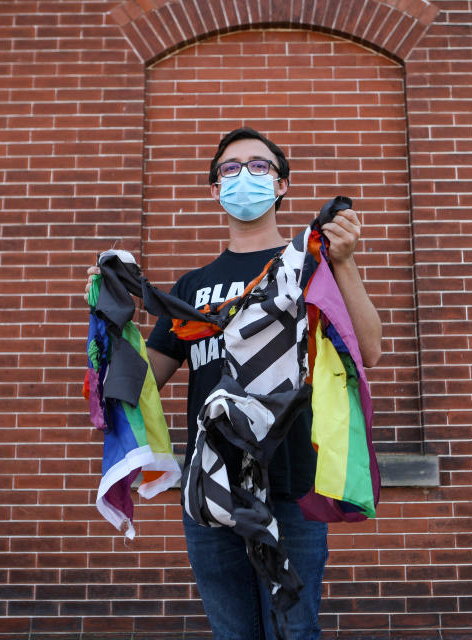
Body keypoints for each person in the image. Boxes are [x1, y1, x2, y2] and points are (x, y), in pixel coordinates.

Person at [85, 127, 382, 640]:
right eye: (230, 168)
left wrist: (345, 262)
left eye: (260, 166)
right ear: (215, 188)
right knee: (233, 633)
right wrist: (111, 320)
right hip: (210, 489)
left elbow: (370, 350)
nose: (244, 175)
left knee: (294, 630)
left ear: (283, 185)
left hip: (292, 482)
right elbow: (140, 385)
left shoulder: (308, 269)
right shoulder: (190, 289)